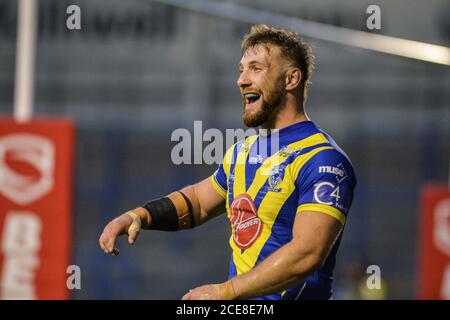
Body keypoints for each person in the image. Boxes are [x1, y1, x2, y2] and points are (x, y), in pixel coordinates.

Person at [99, 24, 356, 300]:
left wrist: (225, 291)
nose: (242, 80)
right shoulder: (241, 152)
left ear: (291, 79)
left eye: (256, 68)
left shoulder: (323, 159)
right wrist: (140, 215)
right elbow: (197, 202)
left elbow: (308, 253)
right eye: (241, 70)